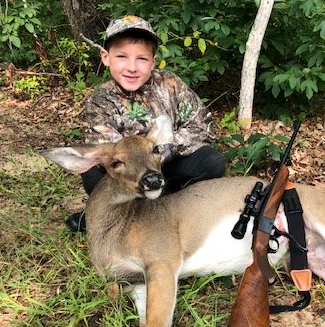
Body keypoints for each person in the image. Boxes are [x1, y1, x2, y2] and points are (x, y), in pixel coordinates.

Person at [66, 15, 226, 232]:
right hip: (130, 176)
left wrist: (159, 152)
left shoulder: (170, 84)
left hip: (167, 167)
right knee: (92, 172)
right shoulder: (100, 101)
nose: (132, 67)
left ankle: (168, 210)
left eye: (142, 58)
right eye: (122, 56)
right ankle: (106, 214)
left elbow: (202, 127)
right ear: (105, 57)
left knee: (211, 162)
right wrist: (145, 155)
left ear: (153, 61)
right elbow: (110, 151)